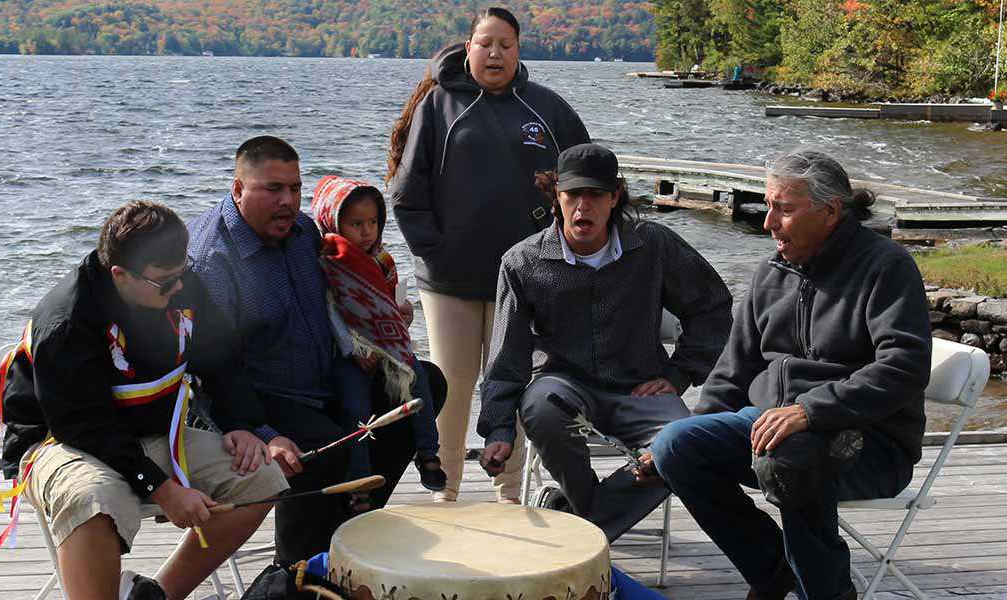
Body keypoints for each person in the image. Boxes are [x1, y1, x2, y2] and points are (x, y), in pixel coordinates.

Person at [649, 149, 933, 600]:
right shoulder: (771, 272)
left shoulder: (886, 267)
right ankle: (773, 569)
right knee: (674, 446)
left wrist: (809, 411)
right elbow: (733, 370)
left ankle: (825, 592)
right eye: (769, 206)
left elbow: (904, 366)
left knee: (791, 457)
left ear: (830, 211)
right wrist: (698, 425)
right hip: (770, 429)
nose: (768, 223)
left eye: (784, 209)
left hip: (869, 441)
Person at [0, 201, 283, 600]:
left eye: (181, 273)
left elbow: (222, 359)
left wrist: (241, 424)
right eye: (165, 281)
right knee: (94, 500)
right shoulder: (67, 321)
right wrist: (162, 488)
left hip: (155, 433)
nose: (179, 287)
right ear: (120, 275)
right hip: (63, 443)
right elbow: (83, 426)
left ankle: (158, 594)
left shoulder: (183, 286)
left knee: (262, 478)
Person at [474, 143, 732, 541]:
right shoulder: (521, 262)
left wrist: (680, 373)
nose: (582, 207)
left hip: (642, 387)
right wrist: (498, 430)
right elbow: (507, 356)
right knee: (539, 407)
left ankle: (581, 524)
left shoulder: (655, 245)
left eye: (594, 195)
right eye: (572, 195)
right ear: (555, 196)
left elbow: (712, 307)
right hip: (562, 385)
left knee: (688, 444)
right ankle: (594, 517)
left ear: (615, 197)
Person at [387, 6, 592, 503]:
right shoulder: (439, 106)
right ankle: (447, 488)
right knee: (453, 388)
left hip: (527, 279)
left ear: (519, 50)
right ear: (469, 48)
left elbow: (589, 181)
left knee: (512, 382)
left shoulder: (548, 108)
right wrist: (435, 250)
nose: (494, 53)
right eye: (485, 43)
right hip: (449, 281)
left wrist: (568, 246)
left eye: (505, 44)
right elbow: (405, 192)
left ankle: (509, 490)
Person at [186, 136, 418, 565]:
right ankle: (294, 570)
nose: (288, 201)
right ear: (238, 189)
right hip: (262, 397)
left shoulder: (303, 232)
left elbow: (341, 294)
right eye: (272, 189)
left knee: (422, 390)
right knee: (327, 447)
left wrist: (382, 315)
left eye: (294, 188)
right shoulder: (212, 259)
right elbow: (213, 369)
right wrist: (263, 434)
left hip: (323, 377)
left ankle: (351, 526)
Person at [310, 174, 449, 503]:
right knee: (356, 409)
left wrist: (402, 312)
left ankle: (429, 453)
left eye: (373, 221)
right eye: (356, 223)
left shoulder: (382, 259)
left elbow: (386, 303)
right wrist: (351, 348)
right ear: (333, 220)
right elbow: (328, 311)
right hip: (350, 352)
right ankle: (360, 480)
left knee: (419, 383)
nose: (366, 230)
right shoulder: (330, 263)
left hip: (388, 347)